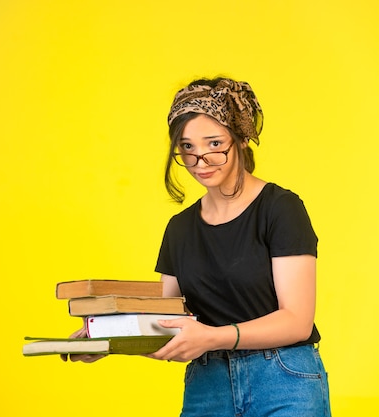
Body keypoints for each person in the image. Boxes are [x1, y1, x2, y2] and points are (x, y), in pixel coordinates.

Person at [65, 77, 332, 417]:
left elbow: (296, 321)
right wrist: (107, 339)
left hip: (283, 379)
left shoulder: (280, 209)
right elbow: (165, 319)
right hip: (208, 385)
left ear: (243, 138)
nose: (200, 160)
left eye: (214, 143)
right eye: (187, 147)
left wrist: (212, 337)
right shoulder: (180, 229)